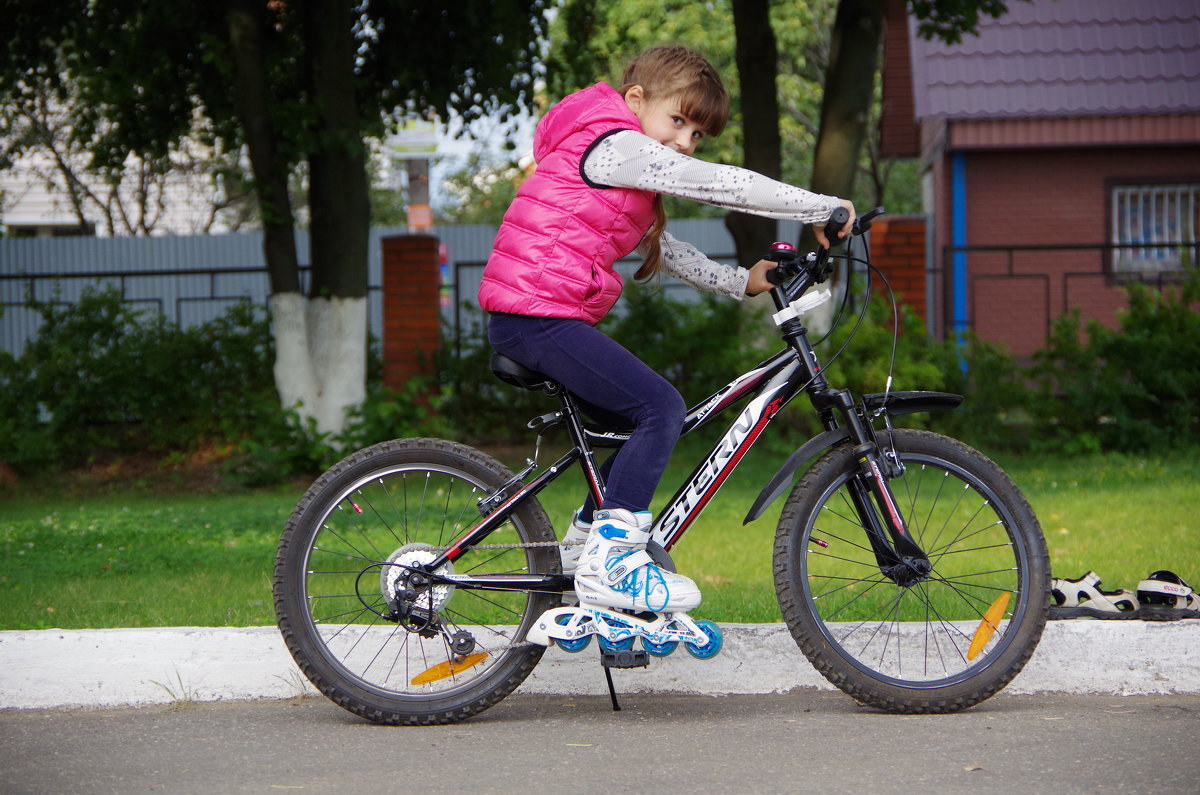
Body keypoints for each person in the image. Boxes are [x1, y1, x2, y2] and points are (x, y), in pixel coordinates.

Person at [479, 45, 855, 616]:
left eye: (698, 134)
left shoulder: (618, 168)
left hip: (537, 315)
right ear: (637, 101)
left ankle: (586, 549)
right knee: (660, 407)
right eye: (677, 120)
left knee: (640, 426)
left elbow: (663, 249)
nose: (684, 141)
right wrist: (819, 207)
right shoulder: (614, 145)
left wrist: (739, 281)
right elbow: (719, 185)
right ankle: (616, 563)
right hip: (536, 316)